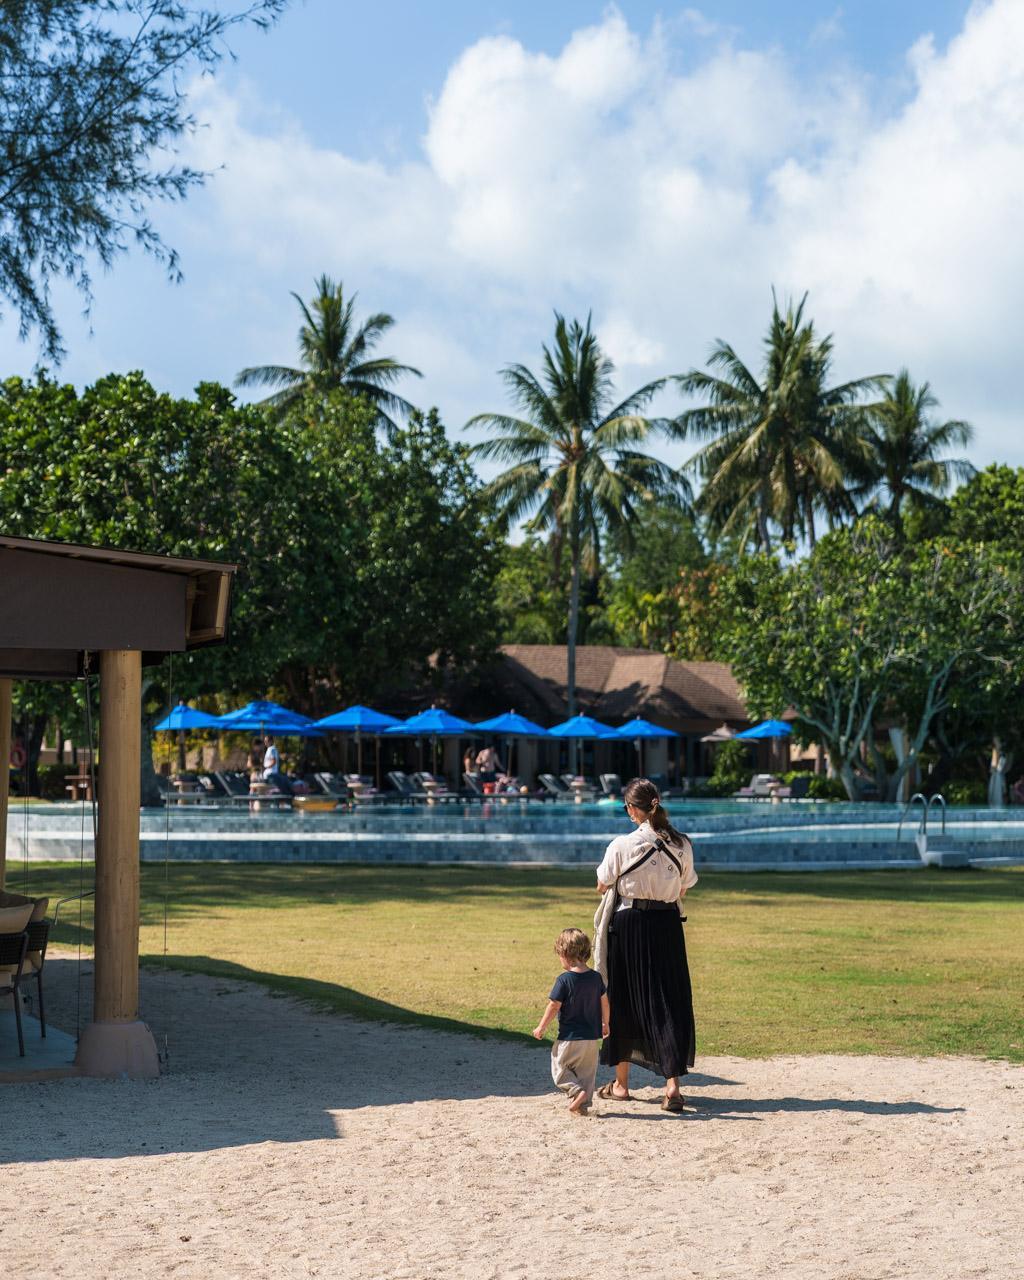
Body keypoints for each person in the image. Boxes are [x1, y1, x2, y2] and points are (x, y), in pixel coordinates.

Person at [594, 777, 697, 1112]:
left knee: (623, 998)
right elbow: (684, 887)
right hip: (667, 925)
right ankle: (672, 1087)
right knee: (669, 999)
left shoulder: (621, 845)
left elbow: (602, 882)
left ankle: (621, 1086)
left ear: (632, 809)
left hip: (629, 926)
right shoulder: (681, 844)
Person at [533, 927, 609, 1116]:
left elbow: (553, 1006)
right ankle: (582, 1105)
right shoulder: (596, 978)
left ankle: (576, 1092)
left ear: (566, 954)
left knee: (560, 1067)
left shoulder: (564, 980)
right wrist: (606, 1023)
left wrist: (541, 1027)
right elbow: (605, 1002)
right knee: (586, 1074)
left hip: (569, 1037)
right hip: (591, 1039)